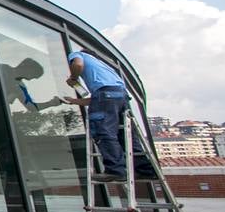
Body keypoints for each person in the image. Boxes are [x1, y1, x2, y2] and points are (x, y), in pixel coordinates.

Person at [60, 49, 158, 181]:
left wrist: (73, 78)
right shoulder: (104, 69)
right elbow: (99, 99)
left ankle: (115, 170)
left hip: (106, 95)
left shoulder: (78, 54)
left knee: (103, 132)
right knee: (126, 136)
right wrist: (73, 101)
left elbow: (77, 65)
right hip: (121, 96)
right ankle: (145, 170)